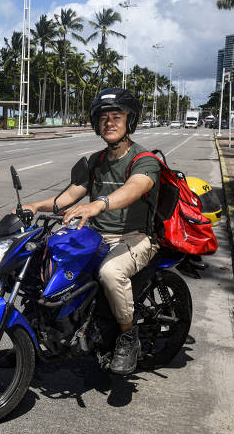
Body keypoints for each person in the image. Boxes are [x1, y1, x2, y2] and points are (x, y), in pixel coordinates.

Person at [22, 88, 160, 375]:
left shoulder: (144, 160)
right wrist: (35, 205)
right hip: (95, 236)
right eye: (103, 118)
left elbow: (135, 187)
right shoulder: (95, 162)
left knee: (111, 273)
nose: (109, 122)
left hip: (135, 237)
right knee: (44, 263)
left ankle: (127, 337)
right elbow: (69, 196)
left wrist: (100, 204)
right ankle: (33, 336)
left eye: (116, 116)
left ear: (130, 121)